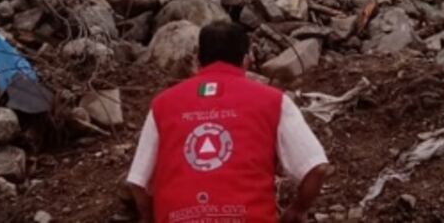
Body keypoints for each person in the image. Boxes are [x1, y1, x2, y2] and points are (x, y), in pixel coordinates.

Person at [127, 22, 330, 223]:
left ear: (198, 60)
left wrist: (148, 217)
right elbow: (317, 168)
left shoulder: (163, 104)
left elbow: (137, 182)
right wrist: (297, 209)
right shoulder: (273, 101)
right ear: (246, 60)